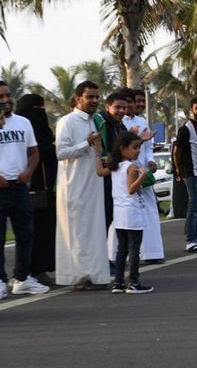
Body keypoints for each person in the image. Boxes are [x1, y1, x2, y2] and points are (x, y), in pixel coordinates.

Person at [56, 80, 111, 290]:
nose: (94, 101)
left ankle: (95, 275)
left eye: (97, 97)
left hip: (93, 185)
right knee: (78, 233)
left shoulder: (95, 121)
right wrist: (86, 143)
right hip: (74, 186)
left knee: (94, 231)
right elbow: (61, 153)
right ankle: (79, 277)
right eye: (90, 97)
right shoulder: (67, 122)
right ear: (78, 98)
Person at [0, 81, 48, 298]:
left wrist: (29, 172)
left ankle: (21, 278)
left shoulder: (23, 122)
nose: (6, 100)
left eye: (8, 95)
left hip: (19, 187)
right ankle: (0, 281)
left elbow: (34, 151)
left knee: (26, 234)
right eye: (1, 97)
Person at [94, 132, 153, 294]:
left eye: (139, 147)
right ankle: (134, 282)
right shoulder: (131, 167)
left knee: (122, 248)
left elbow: (99, 172)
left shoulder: (115, 166)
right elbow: (131, 189)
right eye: (135, 147)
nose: (138, 151)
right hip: (132, 211)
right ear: (123, 149)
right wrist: (143, 176)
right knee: (134, 249)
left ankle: (118, 282)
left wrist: (97, 153)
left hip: (119, 212)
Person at [14, 93, 57, 285]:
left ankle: (39, 270)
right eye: (37, 110)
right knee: (30, 231)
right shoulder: (22, 131)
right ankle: (28, 272)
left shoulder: (42, 133)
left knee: (43, 230)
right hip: (29, 187)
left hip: (45, 190)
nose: (41, 114)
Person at [123, 88, 164, 264]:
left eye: (140, 101)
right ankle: (123, 255)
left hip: (143, 173)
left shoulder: (142, 121)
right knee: (127, 214)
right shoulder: (119, 122)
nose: (138, 105)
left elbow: (147, 149)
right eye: (135, 101)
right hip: (126, 172)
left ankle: (152, 252)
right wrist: (139, 138)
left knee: (150, 211)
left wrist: (151, 161)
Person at [173, 96, 197, 252]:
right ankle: (190, 240)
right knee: (194, 207)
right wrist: (179, 170)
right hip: (191, 173)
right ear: (191, 109)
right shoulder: (186, 129)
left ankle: (196, 239)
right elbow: (177, 151)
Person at [95, 91, 128, 230]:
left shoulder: (121, 125)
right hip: (102, 179)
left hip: (116, 178)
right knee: (104, 218)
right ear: (107, 107)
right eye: (118, 107)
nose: (122, 111)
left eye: (124, 108)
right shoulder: (99, 122)